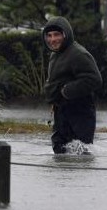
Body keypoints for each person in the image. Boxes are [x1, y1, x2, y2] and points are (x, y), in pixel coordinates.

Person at [42, 16, 102, 154]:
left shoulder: (78, 54)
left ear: (65, 34)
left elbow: (94, 79)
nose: (52, 39)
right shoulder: (55, 54)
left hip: (80, 113)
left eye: (57, 35)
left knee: (80, 152)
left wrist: (66, 91)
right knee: (59, 148)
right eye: (49, 36)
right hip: (61, 111)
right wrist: (54, 99)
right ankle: (62, 177)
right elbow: (56, 79)